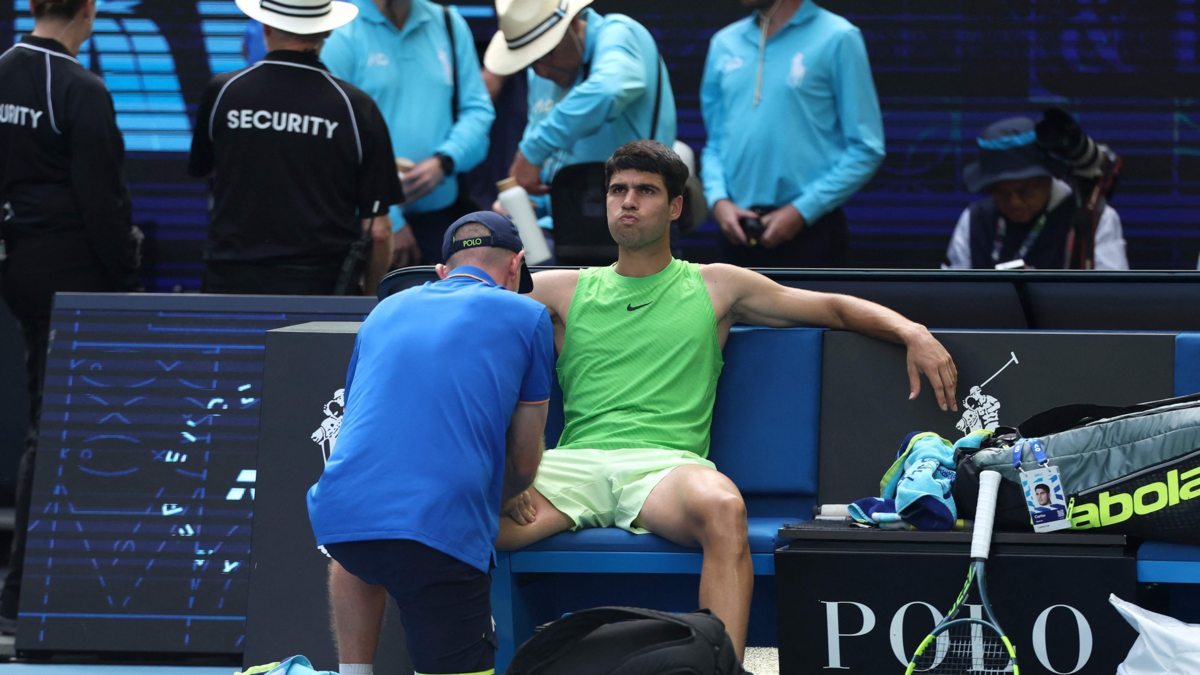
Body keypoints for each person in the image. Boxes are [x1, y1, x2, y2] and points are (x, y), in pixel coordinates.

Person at [500, 140, 956, 659]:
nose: (628, 201)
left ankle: (720, 669)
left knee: (723, 508)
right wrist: (505, 470)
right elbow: (462, 316)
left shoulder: (717, 283)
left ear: (674, 207)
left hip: (666, 470)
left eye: (645, 191)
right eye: (617, 190)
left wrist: (912, 330)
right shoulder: (560, 289)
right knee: (450, 512)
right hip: (574, 468)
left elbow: (832, 307)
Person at [307, 212, 554, 675]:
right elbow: (522, 462)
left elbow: (364, 422)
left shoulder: (383, 309)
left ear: (442, 271)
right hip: (440, 534)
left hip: (341, 518)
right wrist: (498, 499)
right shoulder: (529, 315)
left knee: (361, 553)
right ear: (516, 266)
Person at [0, 0, 143, 632]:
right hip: (70, 277)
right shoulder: (82, 89)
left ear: (33, 6)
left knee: (48, 417)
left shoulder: (4, 71)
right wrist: (126, 284)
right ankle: (26, 595)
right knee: (56, 425)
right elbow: (103, 202)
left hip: (17, 265)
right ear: (88, 11)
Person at [188, 0, 403, 296]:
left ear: (264, 26)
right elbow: (379, 232)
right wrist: (368, 301)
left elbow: (203, 169)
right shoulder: (356, 107)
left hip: (231, 284)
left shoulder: (223, 91)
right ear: (327, 31)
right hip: (321, 291)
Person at [701, 0, 885, 268]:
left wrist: (802, 210)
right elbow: (715, 143)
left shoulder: (838, 37)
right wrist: (718, 200)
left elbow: (867, 147)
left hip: (810, 232)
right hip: (735, 232)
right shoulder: (724, 42)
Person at [321, 0, 496, 266]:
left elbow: (478, 111)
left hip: (440, 220)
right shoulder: (341, 31)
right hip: (367, 222)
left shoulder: (449, 24)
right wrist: (388, 216)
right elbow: (332, 138)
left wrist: (444, 161)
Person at [483, 0, 676, 233]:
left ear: (573, 24)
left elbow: (609, 89)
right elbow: (545, 162)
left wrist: (532, 151)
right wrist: (523, 201)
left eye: (546, 54)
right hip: (566, 226)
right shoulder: (543, 75)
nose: (542, 71)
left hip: (637, 228)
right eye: (531, 62)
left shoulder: (620, 32)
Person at [945, 117, 1129, 270]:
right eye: (1001, 193)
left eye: (1026, 191)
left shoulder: (1093, 217)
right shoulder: (974, 219)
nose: (1015, 202)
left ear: (1048, 177)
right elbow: (951, 297)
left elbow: (1114, 300)